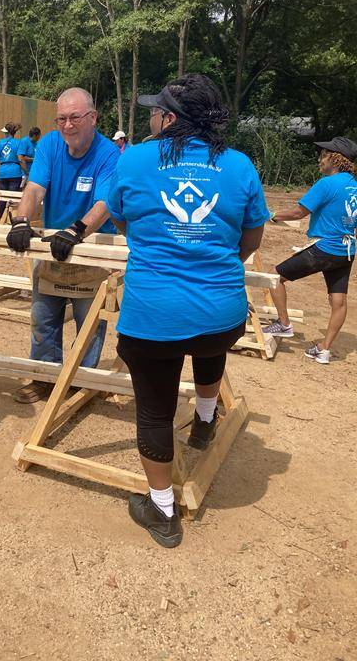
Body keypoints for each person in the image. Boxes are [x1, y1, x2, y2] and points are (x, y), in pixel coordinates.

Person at [107, 73, 269, 547]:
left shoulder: (134, 159)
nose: (150, 116)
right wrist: (210, 262)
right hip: (222, 315)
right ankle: (202, 421)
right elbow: (251, 237)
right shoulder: (238, 166)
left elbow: (121, 219)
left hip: (154, 316)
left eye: (155, 110)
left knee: (155, 411)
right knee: (206, 347)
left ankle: (161, 511)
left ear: (170, 118)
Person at [5, 87, 120, 403]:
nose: (68, 126)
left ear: (93, 118)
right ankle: (44, 377)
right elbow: (35, 188)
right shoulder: (50, 145)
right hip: (54, 244)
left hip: (89, 244)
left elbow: (104, 203)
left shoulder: (109, 154)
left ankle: (80, 380)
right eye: (61, 119)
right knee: (44, 315)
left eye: (75, 118)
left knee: (89, 322)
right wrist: (22, 221)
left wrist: (76, 230)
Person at [264, 137, 357, 363]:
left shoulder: (327, 184)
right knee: (339, 300)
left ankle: (284, 324)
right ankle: (324, 349)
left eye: (323, 155)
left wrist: (271, 215)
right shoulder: (354, 185)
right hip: (346, 250)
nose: (319, 160)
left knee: (275, 278)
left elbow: (298, 213)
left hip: (324, 248)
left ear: (334, 159)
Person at [0, 122, 24, 218]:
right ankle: (12, 218)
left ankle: (1, 218)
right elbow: (21, 159)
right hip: (15, 172)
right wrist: (26, 172)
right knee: (13, 198)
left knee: (2, 198)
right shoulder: (18, 143)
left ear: (6, 133)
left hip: (2, 172)